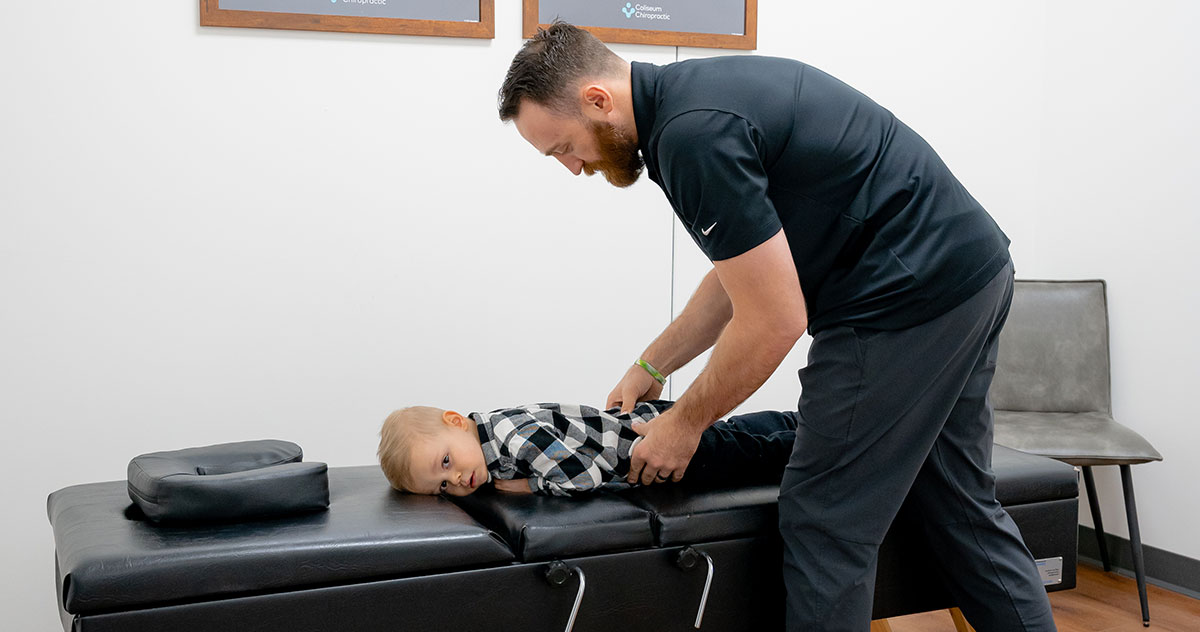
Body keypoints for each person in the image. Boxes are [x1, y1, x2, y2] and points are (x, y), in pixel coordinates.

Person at [497, 21, 1056, 632]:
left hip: (902, 302)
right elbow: (743, 272)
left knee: (825, 518)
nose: (573, 169)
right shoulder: (694, 101)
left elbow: (774, 319)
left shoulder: (691, 136)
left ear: (597, 101)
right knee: (957, 503)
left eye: (564, 148)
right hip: (970, 273)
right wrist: (653, 364)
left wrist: (684, 425)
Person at [378, 400, 797, 496]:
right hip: (653, 424)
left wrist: (527, 487)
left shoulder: (510, 437)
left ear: (456, 421)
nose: (455, 479)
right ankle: (793, 421)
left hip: (661, 448)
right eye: (443, 486)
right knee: (738, 434)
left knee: (755, 459)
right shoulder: (488, 436)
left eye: (446, 462)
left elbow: (582, 477)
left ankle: (822, 443)